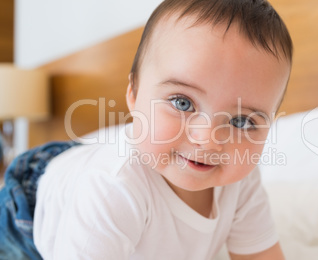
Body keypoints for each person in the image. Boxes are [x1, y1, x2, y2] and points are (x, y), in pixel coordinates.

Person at [3, 0, 293, 259]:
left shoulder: (241, 177)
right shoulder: (112, 188)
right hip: (30, 209)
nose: (207, 140)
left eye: (241, 122)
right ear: (134, 93)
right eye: (182, 103)